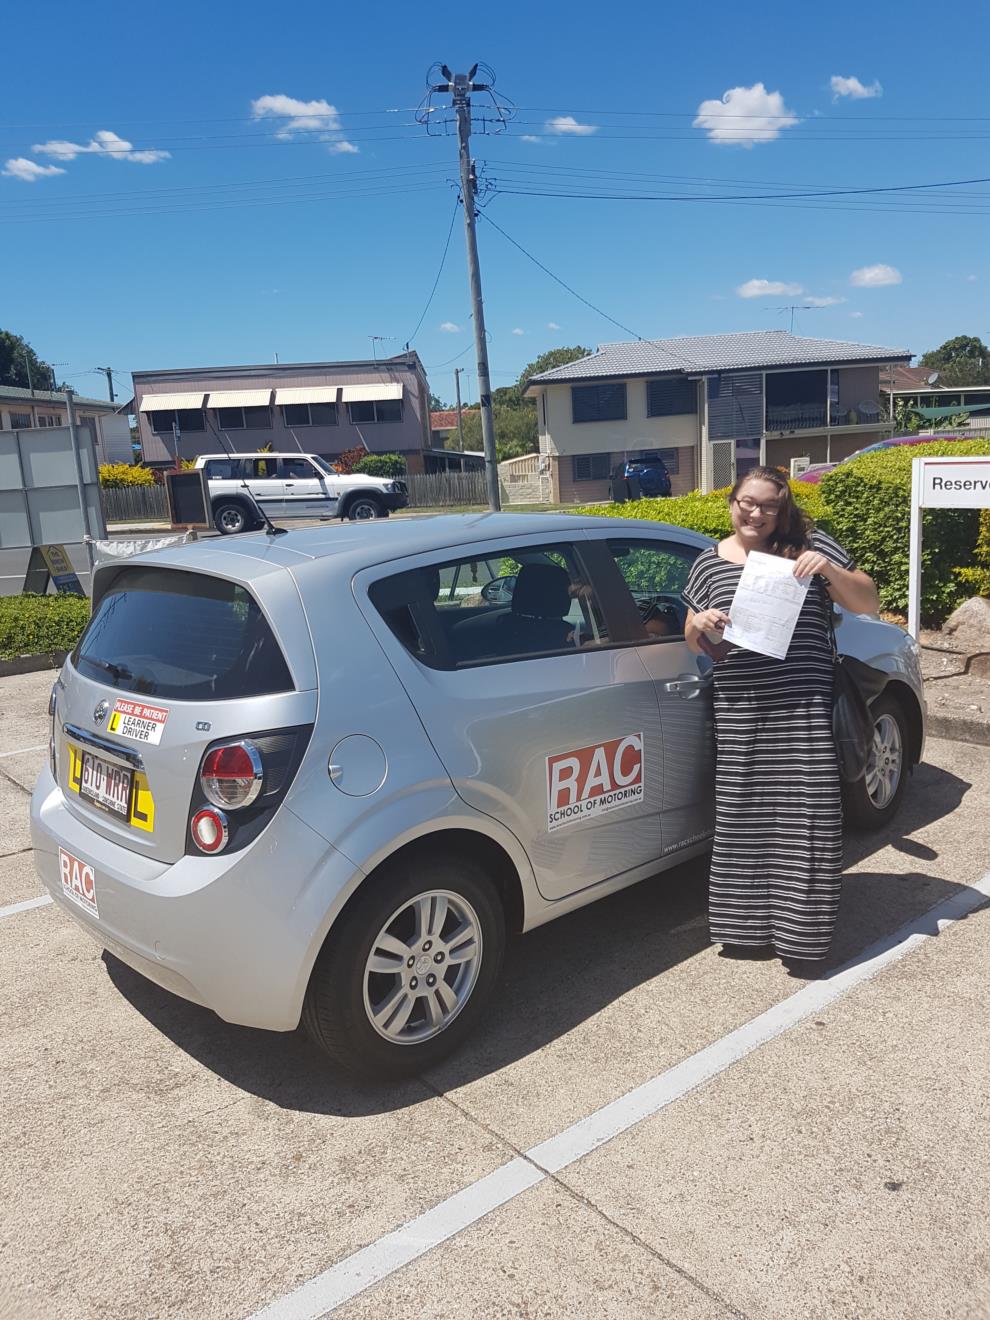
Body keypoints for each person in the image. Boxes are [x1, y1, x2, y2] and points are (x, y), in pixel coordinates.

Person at [681, 466, 879, 969]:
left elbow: (868, 601)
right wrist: (700, 623)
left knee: (807, 817)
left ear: (783, 508)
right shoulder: (708, 563)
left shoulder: (809, 545)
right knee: (743, 817)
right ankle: (745, 929)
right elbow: (693, 639)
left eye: (769, 505)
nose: (757, 513)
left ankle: (802, 934)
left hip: (804, 706)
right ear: (732, 502)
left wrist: (828, 570)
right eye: (748, 502)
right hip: (741, 708)